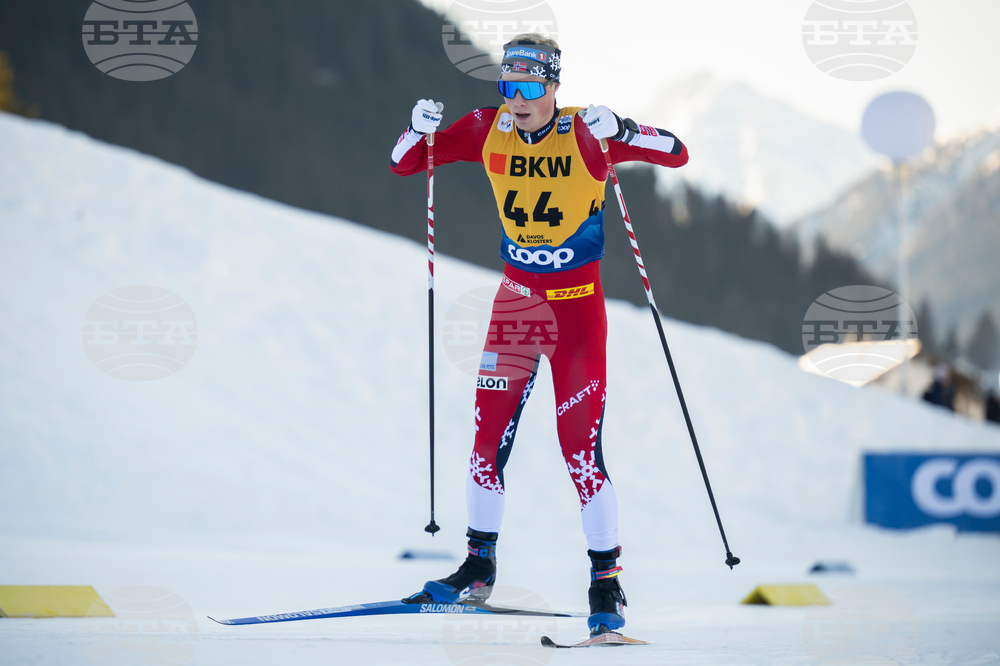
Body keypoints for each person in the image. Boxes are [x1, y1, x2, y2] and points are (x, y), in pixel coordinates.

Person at [390, 34, 688, 634]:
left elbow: (677, 154)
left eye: (529, 86)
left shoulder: (585, 132)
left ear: (554, 85)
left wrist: (625, 128)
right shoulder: (486, 128)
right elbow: (406, 162)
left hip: (578, 312)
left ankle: (606, 583)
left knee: (580, 450)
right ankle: (477, 568)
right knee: (485, 438)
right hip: (518, 306)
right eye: (508, 85)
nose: (517, 99)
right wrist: (415, 130)